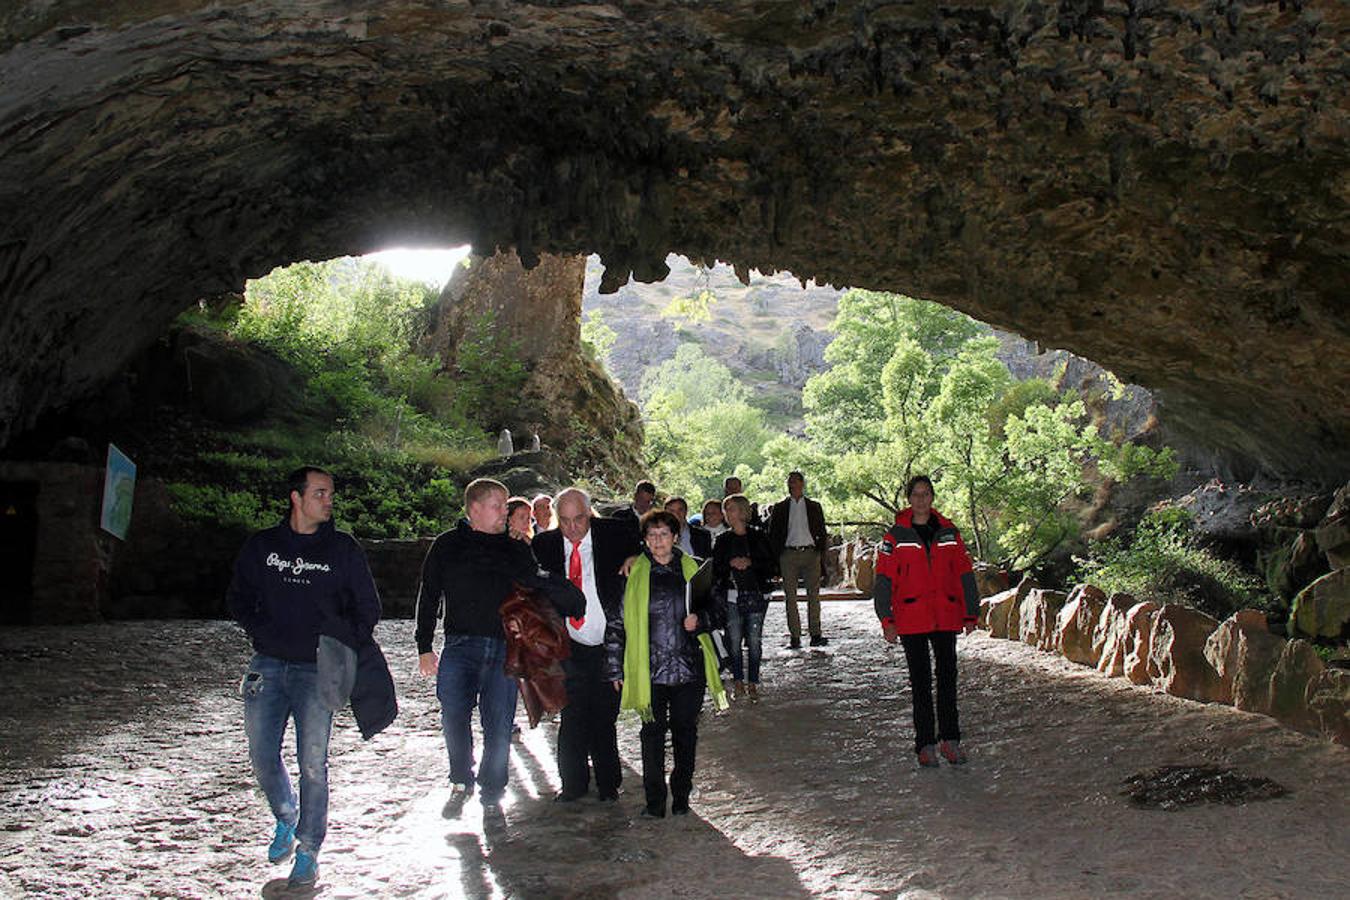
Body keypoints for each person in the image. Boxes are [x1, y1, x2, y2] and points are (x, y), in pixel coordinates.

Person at [227, 467, 381, 888]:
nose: (329, 501)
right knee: (261, 755)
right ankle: (285, 814)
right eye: (320, 493)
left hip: (317, 670)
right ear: (297, 498)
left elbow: (368, 609)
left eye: (330, 493)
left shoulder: (344, 550)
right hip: (268, 664)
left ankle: (309, 850)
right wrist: (262, 630)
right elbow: (238, 598)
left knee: (313, 763)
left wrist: (337, 641)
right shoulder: (263, 546)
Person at [415, 478, 584, 816]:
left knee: (499, 720)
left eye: (507, 507)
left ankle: (492, 787)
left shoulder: (514, 547)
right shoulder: (447, 545)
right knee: (453, 715)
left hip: (503, 646)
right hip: (459, 645)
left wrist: (571, 599)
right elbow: (429, 592)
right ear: (475, 508)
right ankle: (461, 777)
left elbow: (537, 582)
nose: (505, 513)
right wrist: (424, 645)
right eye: (499, 506)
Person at [609, 509, 727, 818]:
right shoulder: (631, 575)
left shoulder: (695, 571)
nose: (658, 541)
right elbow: (617, 624)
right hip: (648, 669)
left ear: (675, 537)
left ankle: (681, 795)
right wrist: (614, 666)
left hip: (689, 668)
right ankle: (655, 801)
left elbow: (719, 612)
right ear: (644, 539)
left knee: (685, 733)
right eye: (652, 535)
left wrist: (700, 620)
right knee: (651, 736)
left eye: (664, 534)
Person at [532, 488, 640, 802]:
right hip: (568, 645)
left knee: (604, 716)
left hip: (609, 644)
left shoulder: (614, 533)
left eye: (579, 519)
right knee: (572, 715)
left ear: (589, 513)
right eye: (564, 521)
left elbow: (646, 547)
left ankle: (609, 784)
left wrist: (635, 556)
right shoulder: (544, 545)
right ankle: (572, 785)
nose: (573, 528)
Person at [872, 475, 979, 768]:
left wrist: (971, 612)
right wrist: (886, 618)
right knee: (920, 683)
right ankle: (925, 745)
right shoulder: (895, 536)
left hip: (945, 615)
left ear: (932, 497)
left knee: (948, 679)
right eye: (916, 494)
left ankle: (950, 740)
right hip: (911, 618)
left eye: (926, 494)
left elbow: (964, 573)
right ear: (909, 499)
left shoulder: (948, 532)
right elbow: (883, 580)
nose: (921, 500)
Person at [712, 494, 776, 702]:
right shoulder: (723, 540)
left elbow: (771, 565)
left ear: (741, 511)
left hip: (756, 595)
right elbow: (716, 569)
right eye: (726, 509)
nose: (727, 513)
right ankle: (738, 680)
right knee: (733, 640)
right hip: (732, 595)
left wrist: (750, 562)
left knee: (755, 641)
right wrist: (731, 564)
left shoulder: (759, 536)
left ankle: (753, 682)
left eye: (730, 509)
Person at [766, 471, 829, 648]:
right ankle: (795, 636)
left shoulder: (814, 506)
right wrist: (775, 562)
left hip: (810, 552)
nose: (792, 484)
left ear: (802, 483)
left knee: (813, 595)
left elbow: (822, 532)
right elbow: (773, 535)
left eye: (795, 481)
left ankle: (815, 634)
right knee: (790, 597)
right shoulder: (780, 507)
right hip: (788, 554)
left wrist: (821, 555)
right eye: (789, 481)